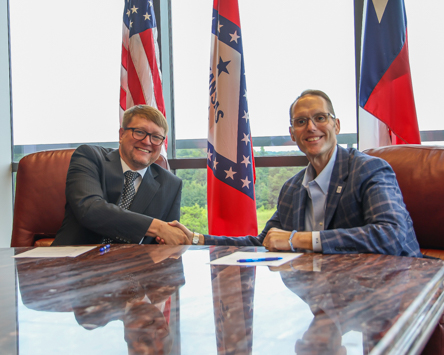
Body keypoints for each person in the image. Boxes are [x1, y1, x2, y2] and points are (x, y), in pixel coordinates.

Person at [167, 89, 422, 257]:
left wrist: (301, 239)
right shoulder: (292, 188)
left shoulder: (369, 169)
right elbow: (264, 242)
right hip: (326, 291)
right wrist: (197, 239)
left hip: (389, 289)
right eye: (301, 122)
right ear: (292, 134)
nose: (311, 128)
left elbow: (392, 236)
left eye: (320, 118)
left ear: (337, 125)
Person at [52, 105, 189, 246]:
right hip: (73, 261)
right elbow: (89, 208)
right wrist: (157, 227)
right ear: (121, 134)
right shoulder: (89, 157)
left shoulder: (171, 184)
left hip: (135, 264)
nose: (147, 142)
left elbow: (169, 238)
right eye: (140, 132)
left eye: (156, 137)